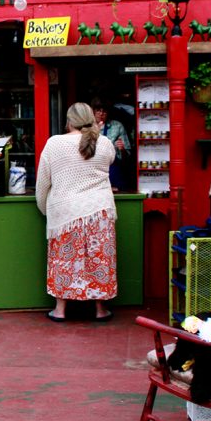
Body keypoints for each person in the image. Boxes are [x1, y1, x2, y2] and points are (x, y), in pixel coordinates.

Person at [35, 102, 117, 322]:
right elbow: (110, 160)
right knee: (99, 260)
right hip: (99, 211)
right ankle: (100, 309)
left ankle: (60, 310)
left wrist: (45, 210)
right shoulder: (105, 142)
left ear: (69, 121)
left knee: (64, 260)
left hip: (65, 212)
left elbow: (43, 183)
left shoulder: (54, 144)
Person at [91, 96, 132, 191]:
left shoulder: (117, 126)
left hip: (113, 171)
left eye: (104, 111)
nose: (101, 114)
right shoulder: (87, 127)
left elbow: (127, 157)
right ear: (93, 111)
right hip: (93, 171)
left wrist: (122, 150)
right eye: (98, 110)